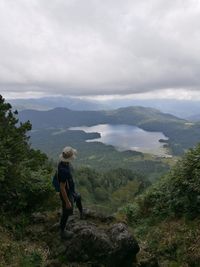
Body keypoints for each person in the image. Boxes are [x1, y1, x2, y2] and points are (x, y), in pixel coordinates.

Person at [58, 146, 83, 239]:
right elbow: (62, 188)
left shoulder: (63, 163)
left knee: (78, 197)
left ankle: (81, 214)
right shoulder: (63, 170)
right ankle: (62, 231)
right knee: (66, 211)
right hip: (66, 193)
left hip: (70, 191)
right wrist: (67, 201)